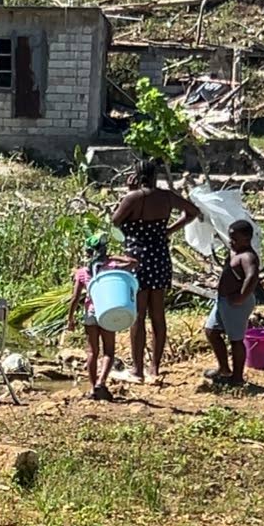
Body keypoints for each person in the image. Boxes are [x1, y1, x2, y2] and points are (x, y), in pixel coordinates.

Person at [111, 160, 201, 382]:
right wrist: (168, 230)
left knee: (138, 316)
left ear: (137, 175)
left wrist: (129, 193)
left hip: (136, 261)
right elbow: (192, 212)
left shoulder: (133, 198)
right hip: (160, 258)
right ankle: (155, 368)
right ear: (155, 176)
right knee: (158, 315)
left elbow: (114, 222)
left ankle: (137, 370)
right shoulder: (167, 196)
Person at [66, 233, 139, 401]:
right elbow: (134, 263)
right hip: (108, 311)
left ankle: (93, 388)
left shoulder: (82, 272)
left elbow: (75, 298)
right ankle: (101, 382)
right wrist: (111, 256)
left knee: (92, 352)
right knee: (109, 352)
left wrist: (70, 318)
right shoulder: (111, 267)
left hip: (91, 313)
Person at [204, 220, 260, 386]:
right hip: (223, 301)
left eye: (235, 239)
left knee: (236, 340)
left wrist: (241, 296)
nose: (231, 242)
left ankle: (237, 378)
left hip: (237, 303)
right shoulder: (234, 251)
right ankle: (223, 368)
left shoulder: (248, 256)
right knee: (211, 331)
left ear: (247, 239)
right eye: (230, 238)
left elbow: (252, 276)